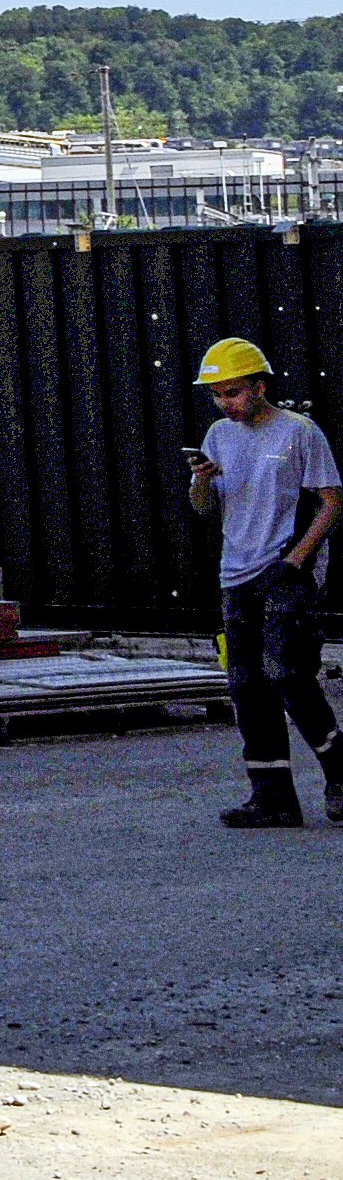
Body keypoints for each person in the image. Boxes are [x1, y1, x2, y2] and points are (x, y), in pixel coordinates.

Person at [186, 336, 341, 827]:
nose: (223, 403)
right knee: (246, 685)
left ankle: (339, 772)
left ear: (259, 386)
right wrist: (202, 480)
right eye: (216, 394)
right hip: (236, 574)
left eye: (232, 392)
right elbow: (201, 508)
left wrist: (296, 560)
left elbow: (332, 500)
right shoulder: (218, 435)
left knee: (287, 672)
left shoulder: (299, 432)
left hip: (285, 571)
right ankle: (273, 797)